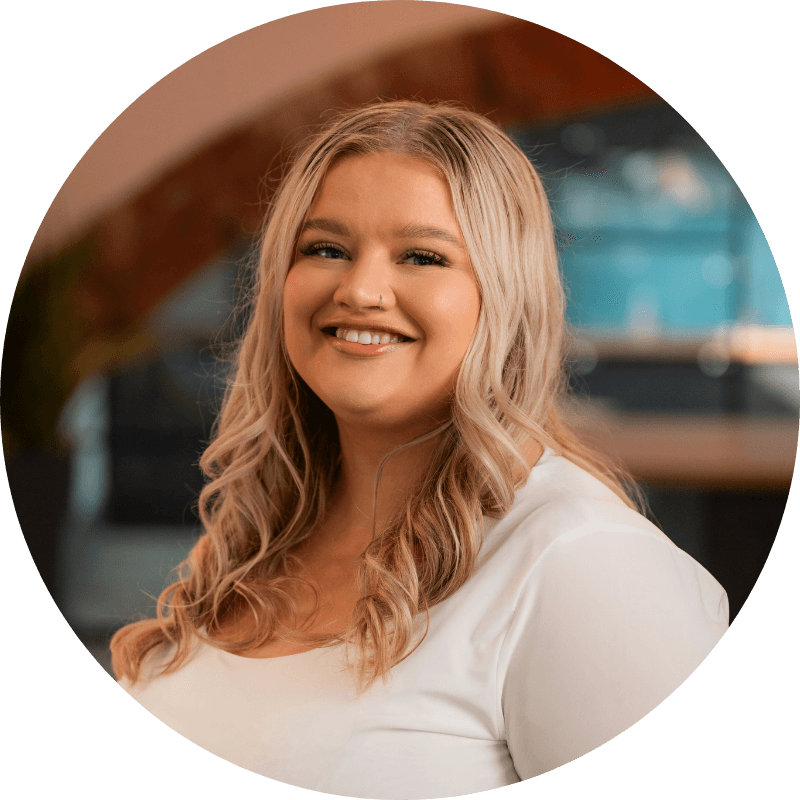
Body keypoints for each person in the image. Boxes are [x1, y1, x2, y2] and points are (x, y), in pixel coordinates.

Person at [112, 101, 728, 798]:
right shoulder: (258, 533)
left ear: (504, 297)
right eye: (325, 248)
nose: (361, 290)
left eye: (423, 256)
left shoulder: (579, 562)